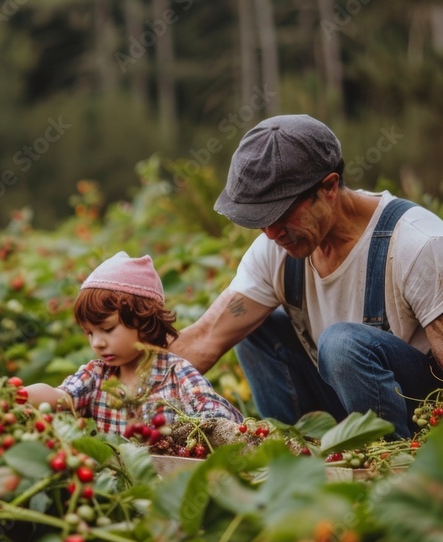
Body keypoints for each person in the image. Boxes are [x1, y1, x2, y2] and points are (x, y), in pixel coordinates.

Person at [171, 114, 443, 438]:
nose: (271, 233)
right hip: (346, 408)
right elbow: (206, 337)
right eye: (261, 220)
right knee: (258, 331)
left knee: (341, 344)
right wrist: (123, 384)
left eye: (281, 215)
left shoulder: (419, 243)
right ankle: (300, 451)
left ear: (328, 187)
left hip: (420, 415)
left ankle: (387, 460)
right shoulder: (277, 250)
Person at [26, 252, 243, 434]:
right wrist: (17, 393)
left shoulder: (176, 374)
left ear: (143, 320)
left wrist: (186, 434)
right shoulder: (97, 377)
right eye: (89, 333)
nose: (97, 343)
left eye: (108, 329)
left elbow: (216, 416)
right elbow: (60, 398)